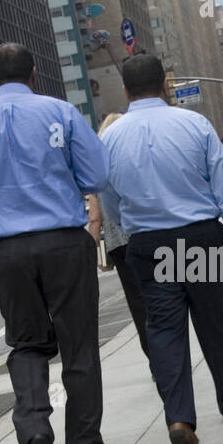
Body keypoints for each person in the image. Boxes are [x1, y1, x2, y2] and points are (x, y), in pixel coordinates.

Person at [0, 42, 123, 444]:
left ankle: (34, 428)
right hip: (64, 241)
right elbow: (98, 176)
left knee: (26, 344)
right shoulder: (60, 114)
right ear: (34, 74)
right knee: (79, 346)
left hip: (6, 251)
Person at [99, 54, 223, 444]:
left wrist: (135, 228)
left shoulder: (110, 138)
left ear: (127, 90)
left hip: (148, 245)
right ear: (165, 85)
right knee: (215, 322)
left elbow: (110, 201)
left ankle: (179, 417)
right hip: (201, 237)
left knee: (164, 331)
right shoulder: (194, 124)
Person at [86, 114, 150, 364]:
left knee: (137, 303)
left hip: (119, 245)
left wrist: (96, 255)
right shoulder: (135, 159)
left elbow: (94, 217)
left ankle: (154, 359)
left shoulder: (96, 169)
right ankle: (171, 354)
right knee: (160, 299)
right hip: (147, 236)